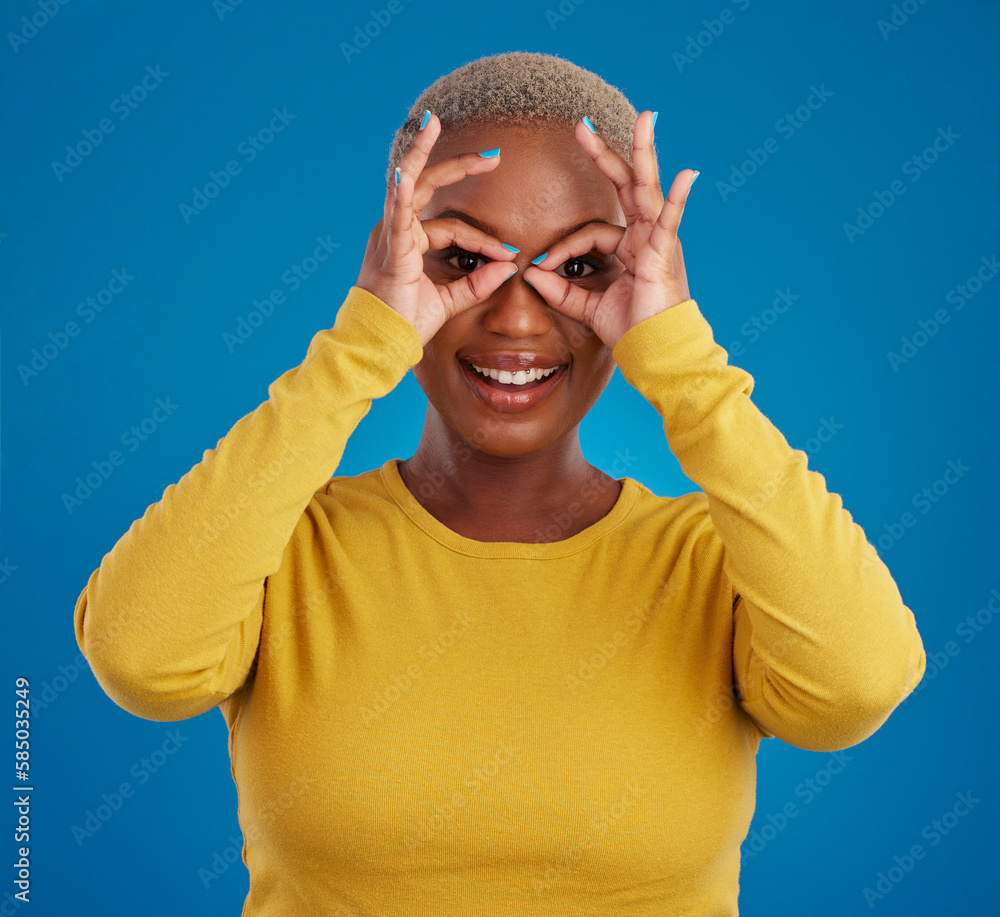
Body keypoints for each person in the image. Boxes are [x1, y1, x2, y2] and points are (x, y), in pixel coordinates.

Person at [73, 51, 926, 915]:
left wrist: (680, 359)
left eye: (581, 267)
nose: (516, 316)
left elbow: (854, 690)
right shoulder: (281, 549)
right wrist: (361, 347)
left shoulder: (722, 564)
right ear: (395, 254)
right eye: (459, 256)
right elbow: (141, 663)